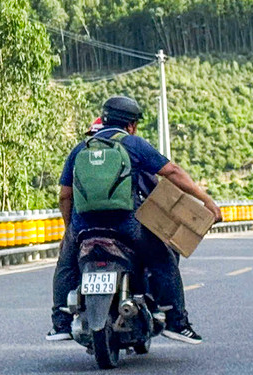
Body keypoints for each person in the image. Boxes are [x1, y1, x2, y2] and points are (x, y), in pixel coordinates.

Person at [47, 95, 222, 344]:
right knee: (163, 257)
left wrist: (71, 229)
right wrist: (206, 201)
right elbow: (171, 171)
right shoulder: (133, 144)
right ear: (131, 124)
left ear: (104, 119)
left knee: (66, 264)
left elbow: (65, 196)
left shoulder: (81, 149)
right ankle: (177, 322)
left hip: (85, 227)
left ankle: (61, 323)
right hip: (125, 226)